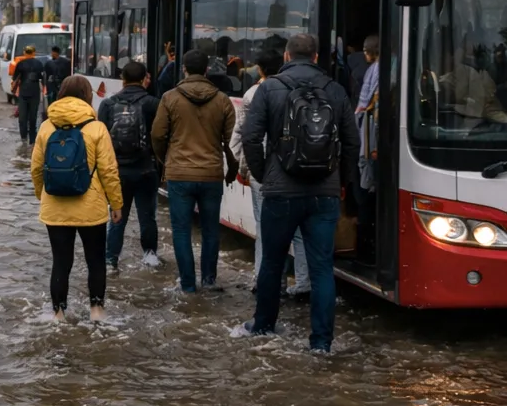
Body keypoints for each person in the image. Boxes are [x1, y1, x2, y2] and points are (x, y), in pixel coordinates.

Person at [241, 33, 359, 350]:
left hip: (280, 191)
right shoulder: (335, 90)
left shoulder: (269, 88)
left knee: (272, 262)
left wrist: (263, 175)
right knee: (321, 268)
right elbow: (352, 143)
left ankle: (263, 327)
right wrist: (342, 182)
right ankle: (321, 342)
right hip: (325, 193)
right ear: (317, 57)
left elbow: (251, 138)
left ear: (288, 57)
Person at [31, 75, 123, 323]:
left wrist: (43, 196)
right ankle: (96, 312)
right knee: (95, 261)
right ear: (87, 96)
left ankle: (58, 314)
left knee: (61, 261)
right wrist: (116, 204)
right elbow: (109, 171)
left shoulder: (46, 127)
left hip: (55, 208)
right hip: (90, 207)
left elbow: (36, 168)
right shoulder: (96, 127)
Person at [150, 47, 238, 293]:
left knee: (181, 230)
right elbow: (232, 141)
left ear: (184, 69)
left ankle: (187, 285)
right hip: (211, 174)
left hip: (179, 174)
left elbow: (157, 135)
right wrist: (231, 170)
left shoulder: (170, 97)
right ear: (207, 70)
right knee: (211, 230)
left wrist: (165, 161)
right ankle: (209, 281)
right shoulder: (222, 99)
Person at [232, 48, 307, 301]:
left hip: (264, 170)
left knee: (266, 228)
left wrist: (242, 169)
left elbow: (243, 135)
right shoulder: (301, 89)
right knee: (298, 229)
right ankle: (304, 282)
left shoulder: (254, 93)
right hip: (298, 167)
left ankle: (264, 281)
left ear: (260, 69)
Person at [98, 58, 161, 270]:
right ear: (145, 79)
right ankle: (150, 255)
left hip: (117, 172)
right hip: (146, 169)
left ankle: (110, 260)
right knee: (147, 216)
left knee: (117, 217)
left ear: (122, 80)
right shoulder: (153, 103)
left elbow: (101, 141)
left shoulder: (107, 104)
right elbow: (162, 135)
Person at [354, 34, 380, 264]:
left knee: (366, 191)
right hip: (370, 139)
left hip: (370, 141)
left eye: (365, 49)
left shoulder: (376, 71)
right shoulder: (381, 69)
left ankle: (365, 249)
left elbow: (368, 109)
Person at [12, 45, 47, 144]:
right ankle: (32, 140)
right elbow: (42, 78)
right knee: (33, 118)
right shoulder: (39, 64)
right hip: (34, 93)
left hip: (23, 93)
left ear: (24, 53)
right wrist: (44, 89)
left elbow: (15, 78)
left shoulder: (20, 64)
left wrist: (14, 90)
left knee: (22, 118)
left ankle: (23, 139)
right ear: (34, 53)